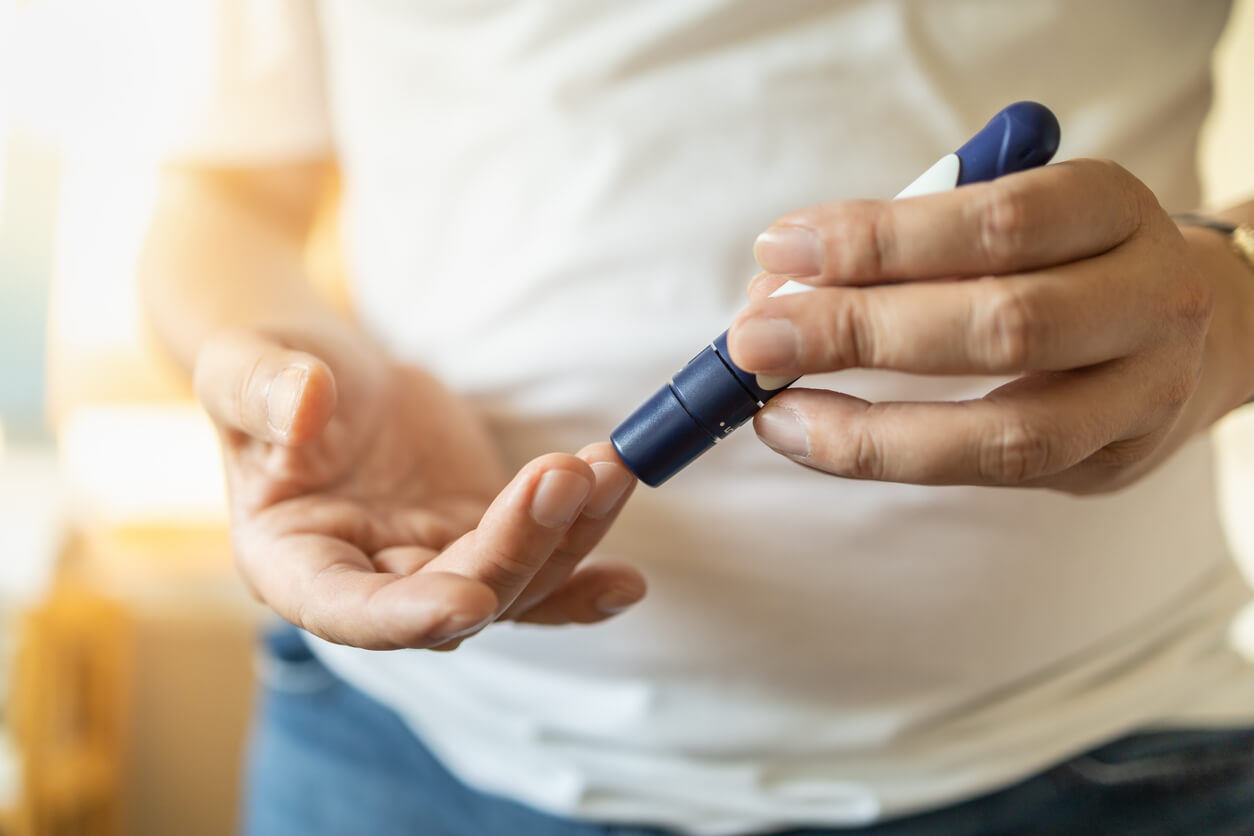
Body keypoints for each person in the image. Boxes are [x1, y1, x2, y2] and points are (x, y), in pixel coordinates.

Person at [139, 1, 1254, 833]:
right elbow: (227, 192)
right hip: (396, 756)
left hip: (1091, 758)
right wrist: (300, 387)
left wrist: (1231, 309)